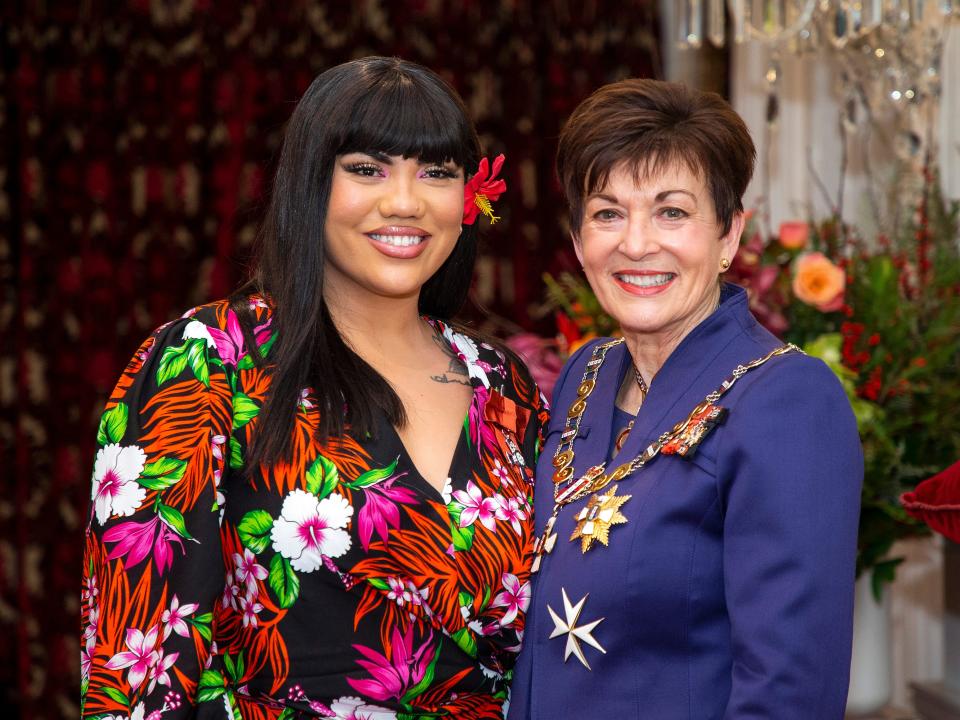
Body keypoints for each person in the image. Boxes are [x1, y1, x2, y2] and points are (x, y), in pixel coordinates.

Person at [82, 56, 547, 720]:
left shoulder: (502, 384)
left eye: (436, 173)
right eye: (367, 169)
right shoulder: (212, 359)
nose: (406, 202)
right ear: (309, 184)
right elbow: (138, 664)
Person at [508, 79, 863, 719]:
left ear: (729, 236)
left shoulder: (787, 399)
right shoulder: (585, 375)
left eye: (672, 211)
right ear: (579, 239)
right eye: (607, 212)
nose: (637, 243)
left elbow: (790, 693)